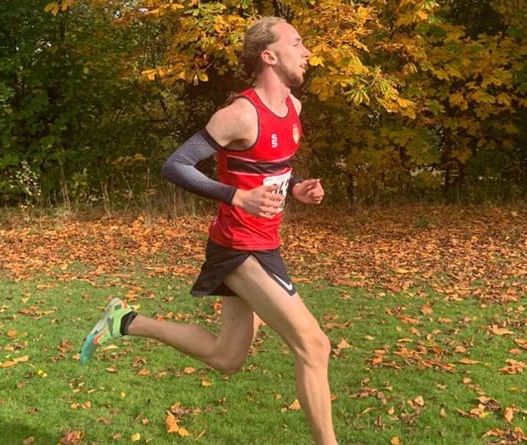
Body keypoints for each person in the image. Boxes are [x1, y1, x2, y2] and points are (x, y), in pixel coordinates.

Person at [79, 16, 337, 445]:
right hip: (239, 246)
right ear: (269, 56)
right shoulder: (238, 114)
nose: (308, 52)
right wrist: (236, 198)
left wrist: (297, 187)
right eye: (297, 43)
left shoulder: (294, 108)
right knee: (315, 346)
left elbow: (269, 170)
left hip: (265, 243)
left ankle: (125, 322)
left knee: (226, 357)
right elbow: (175, 164)